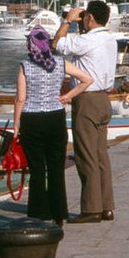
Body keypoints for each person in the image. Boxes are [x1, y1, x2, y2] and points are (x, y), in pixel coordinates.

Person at [12, 25, 92, 225]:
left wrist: (15, 126)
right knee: (56, 167)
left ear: (31, 45)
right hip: (55, 117)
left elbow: (21, 99)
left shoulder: (25, 66)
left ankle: (39, 213)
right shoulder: (60, 63)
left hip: (32, 119)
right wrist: (67, 97)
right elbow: (87, 79)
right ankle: (59, 214)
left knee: (37, 168)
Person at [52, 0, 119, 222]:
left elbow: (56, 45)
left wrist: (68, 21)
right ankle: (106, 205)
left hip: (87, 100)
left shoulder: (87, 41)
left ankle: (91, 209)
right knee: (101, 156)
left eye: (85, 17)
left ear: (90, 18)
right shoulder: (110, 39)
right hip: (103, 99)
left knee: (86, 155)